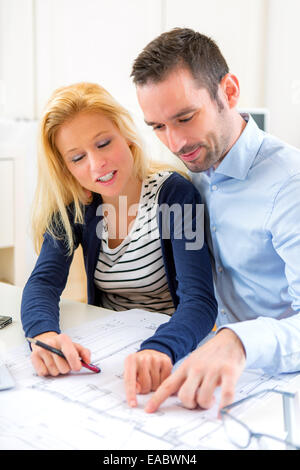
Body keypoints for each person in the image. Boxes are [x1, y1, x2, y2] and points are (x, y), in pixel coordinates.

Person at [131, 27, 300, 414]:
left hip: (278, 382)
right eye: (157, 127)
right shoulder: (184, 174)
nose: (174, 143)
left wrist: (239, 341)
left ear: (229, 91)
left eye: (185, 117)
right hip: (202, 361)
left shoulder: (291, 184)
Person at [21, 81, 217, 407]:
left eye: (103, 143)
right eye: (77, 157)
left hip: (171, 345)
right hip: (106, 356)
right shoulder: (76, 207)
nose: (96, 165)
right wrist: (43, 336)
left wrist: (160, 348)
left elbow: (199, 301)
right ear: (66, 168)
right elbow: (42, 283)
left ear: (125, 135)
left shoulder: (176, 196)